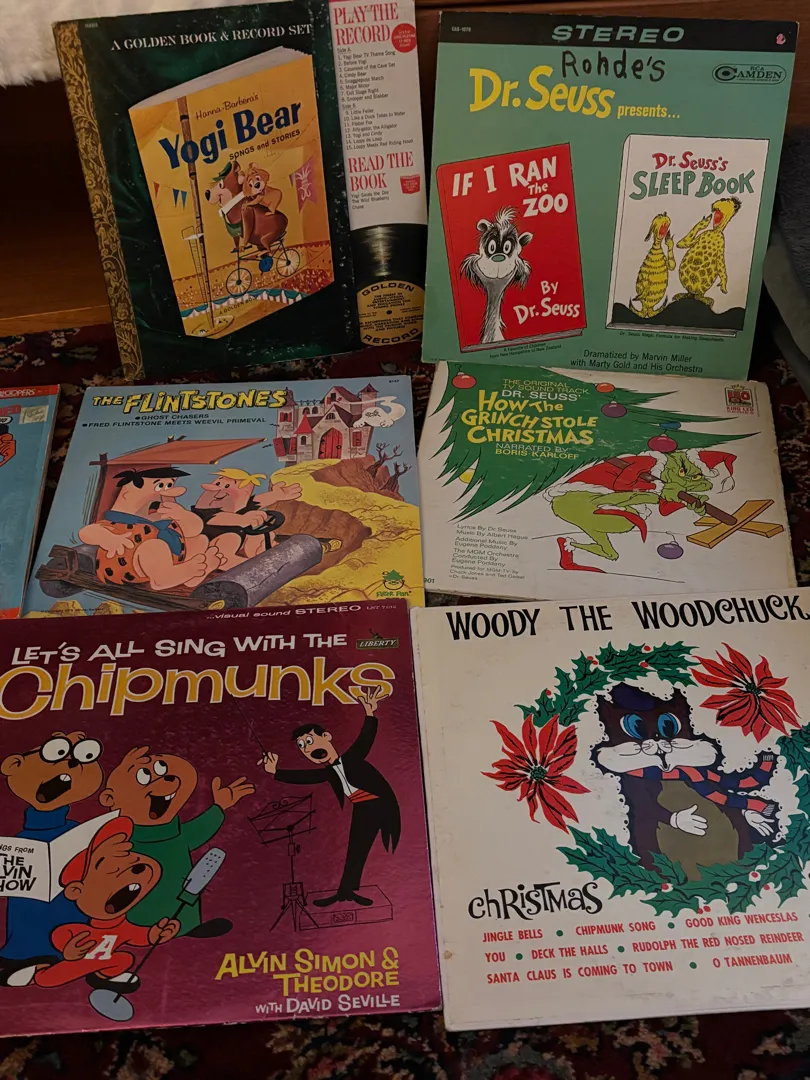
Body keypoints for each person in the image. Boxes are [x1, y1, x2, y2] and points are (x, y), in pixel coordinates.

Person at [260, 686, 400, 907]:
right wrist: (275, 772)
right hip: (363, 809)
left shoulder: (352, 758)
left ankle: (358, 889)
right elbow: (307, 777)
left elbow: (365, 739)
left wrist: (370, 713)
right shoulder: (328, 772)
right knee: (356, 850)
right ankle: (346, 892)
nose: (308, 749)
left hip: (381, 805)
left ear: (326, 737)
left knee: (381, 849)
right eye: (303, 747)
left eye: (310, 741)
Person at [99, 746, 254, 937]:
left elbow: (198, 831)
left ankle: (187, 926)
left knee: (184, 903)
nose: (166, 780)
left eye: (162, 768)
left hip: (182, 906)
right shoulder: (123, 841)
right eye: (144, 776)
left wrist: (219, 806)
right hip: (139, 915)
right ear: (109, 798)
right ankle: (145, 932)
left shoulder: (176, 834)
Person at [0, 731, 104, 986]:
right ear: (14, 766)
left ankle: (66, 958)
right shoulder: (21, 839)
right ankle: (24, 956)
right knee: (25, 904)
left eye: (83, 757)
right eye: (56, 753)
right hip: (29, 879)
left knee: (70, 908)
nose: (70, 764)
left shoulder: (79, 831)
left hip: (72, 897)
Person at [34, 817, 179, 995]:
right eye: (115, 871)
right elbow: (61, 934)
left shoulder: (123, 927)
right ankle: (37, 971)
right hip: (76, 965)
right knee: (47, 980)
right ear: (76, 890)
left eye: (135, 866)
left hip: (106, 962)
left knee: (125, 959)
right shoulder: (82, 928)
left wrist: (156, 934)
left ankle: (101, 978)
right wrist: (69, 950)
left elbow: (139, 935)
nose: (135, 872)